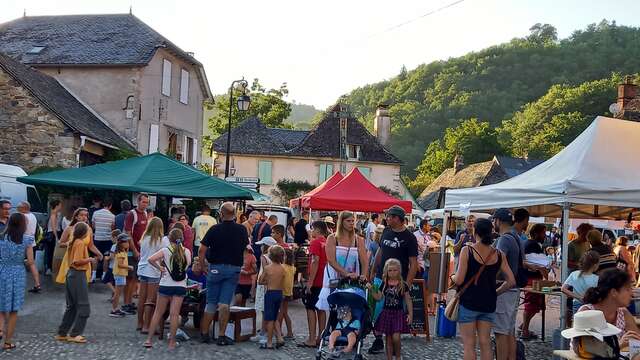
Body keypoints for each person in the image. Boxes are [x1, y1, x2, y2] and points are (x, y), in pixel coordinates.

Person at [454, 218, 515, 360]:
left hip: (469, 302)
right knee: (485, 342)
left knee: (469, 345)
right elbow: (511, 281)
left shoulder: (467, 250)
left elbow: (459, 279)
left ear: (475, 231)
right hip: (488, 303)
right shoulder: (499, 254)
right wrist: (496, 292)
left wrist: (452, 278)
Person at [198, 202, 249, 346]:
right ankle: (221, 335)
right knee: (225, 303)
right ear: (234, 214)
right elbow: (246, 248)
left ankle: (204, 333)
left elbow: (202, 249)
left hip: (215, 268)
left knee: (211, 302)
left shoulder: (214, 229)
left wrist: (202, 265)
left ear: (221, 214)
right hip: (233, 268)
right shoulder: (241, 230)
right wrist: (242, 262)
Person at [369, 205, 418, 355]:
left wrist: (406, 285)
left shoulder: (410, 237)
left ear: (397, 218)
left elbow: (413, 264)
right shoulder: (386, 231)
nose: (387, 218)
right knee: (376, 312)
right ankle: (378, 340)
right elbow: (380, 250)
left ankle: (394, 348)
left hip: (397, 281)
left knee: (394, 313)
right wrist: (372, 270)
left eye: (389, 216)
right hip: (380, 277)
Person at [143, 228, 192, 350]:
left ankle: (149, 340)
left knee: (158, 313)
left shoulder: (165, 250)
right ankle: (172, 342)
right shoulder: (187, 252)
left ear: (169, 239)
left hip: (166, 284)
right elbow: (187, 266)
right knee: (174, 314)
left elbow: (150, 259)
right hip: (180, 286)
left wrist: (160, 268)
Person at [317, 211, 368, 312]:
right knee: (334, 310)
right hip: (335, 277)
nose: (351, 223)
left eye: (353, 221)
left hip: (352, 279)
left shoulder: (358, 240)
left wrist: (363, 276)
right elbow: (331, 260)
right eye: (348, 221)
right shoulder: (332, 238)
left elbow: (364, 261)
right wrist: (346, 274)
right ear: (341, 222)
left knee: (350, 310)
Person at [578, 268, 640, 348]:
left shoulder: (623, 314)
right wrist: (618, 346)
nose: (632, 294)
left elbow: (638, 340)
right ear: (614, 292)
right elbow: (586, 351)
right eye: (627, 289)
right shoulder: (587, 312)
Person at [0, 213, 36, 350]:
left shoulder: (2, 237)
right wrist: (23, 261)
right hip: (18, 273)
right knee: (14, 310)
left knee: (1, 306)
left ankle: (0, 330)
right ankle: (8, 342)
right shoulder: (26, 239)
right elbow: (31, 261)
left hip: (2, 271)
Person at [55, 222, 95, 344]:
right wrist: (90, 259)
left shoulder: (73, 242)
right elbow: (77, 262)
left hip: (71, 274)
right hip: (78, 275)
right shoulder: (80, 243)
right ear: (84, 232)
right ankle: (75, 333)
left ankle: (62, 332)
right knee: (84, 307)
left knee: (71, 306)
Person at [492, 208, 521, 360]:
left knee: (500, 333)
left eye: (494, 220)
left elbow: (498, 262)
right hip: (514, 289)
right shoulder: (516, 236)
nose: (493, 223)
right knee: (509, 331)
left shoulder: (504, 239)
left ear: (498, 221)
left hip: (505, 289)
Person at [371, 258, 413, 360]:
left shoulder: (403, 284)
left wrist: (410, 314)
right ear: (386, 271)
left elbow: (408, 300)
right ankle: (389, 357)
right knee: (388, 338)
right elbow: (379, 298)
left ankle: (398, 356)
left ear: (399, 270)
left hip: (398, 313)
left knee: (396, 337)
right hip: (386, 313)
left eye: (395, 270)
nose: (392, 272)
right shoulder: (384, 283)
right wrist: (371, 289)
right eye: (390, 270)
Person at [136, 217, 168, 333]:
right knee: (151, 300)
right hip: (153, 271)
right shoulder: (161, 240)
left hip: (142, 269)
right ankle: (146, 325)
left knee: (141, 299)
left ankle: (140, 323)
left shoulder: (144, 238)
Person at [300, 220, 328, 348]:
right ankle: (320, 338)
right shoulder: (326, 241)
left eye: (312, 229)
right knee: (321, 309)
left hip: (316, 280)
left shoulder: (315, 242)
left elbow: (315, 261)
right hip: (324, 280)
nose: (311, 231)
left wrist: (310, 282)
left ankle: (311, 338)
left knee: (310, 308)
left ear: (316, 229)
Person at [56, 208, 103, 284]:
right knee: (71, 284)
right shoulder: (69, 228)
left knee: (82, 284)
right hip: (70, 258)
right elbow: (60, 244)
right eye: (81, 215)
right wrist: (69, 243)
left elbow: (91, 245)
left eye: (86, 215)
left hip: (84, 259)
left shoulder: (89, 229)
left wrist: (99, 254)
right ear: (76, 217)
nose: (84, 217)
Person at [520, 223, 548, 340]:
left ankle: (523, 326)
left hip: (530, 278)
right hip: (532, 279)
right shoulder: (533, 245)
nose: (545, 235)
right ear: (536, 233)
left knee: (536, 305)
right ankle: (525, 330)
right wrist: (545, 275)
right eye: (543, 232)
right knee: (532, 305)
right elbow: (540, 264)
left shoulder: (529, 243)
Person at [124, 193, 151, 315]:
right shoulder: (132, 214)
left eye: (147, 202)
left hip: (141, 251)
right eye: (143, 202)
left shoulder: (145, 214)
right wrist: (134, 250)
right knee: (129, 279)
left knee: (135, 278)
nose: (145, 204)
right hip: (131, 251)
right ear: (138, 202)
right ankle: (126, 303)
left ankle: (129, 302)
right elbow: (128, 233)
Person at [257, 245, 286, 350]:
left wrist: (267, 282)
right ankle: (279, 338)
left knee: (269, 319)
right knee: (275, 316)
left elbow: (260, 281)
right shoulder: (283, 268)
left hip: (270, 293)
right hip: (279, 293)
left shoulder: (267, 268)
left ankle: (269, 342)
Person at [251, 236, 277, 343]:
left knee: (263, 309)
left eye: (262, 245)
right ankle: (268, 331)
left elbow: (265, 271)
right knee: (269, 309)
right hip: (273, 284)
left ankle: (263, 332)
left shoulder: (264, 258)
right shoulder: (276, 258)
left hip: (264, 285)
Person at [17, 201, 41, 294]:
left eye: (19, 207)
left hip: (22, 240)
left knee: (17, 263)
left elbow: (20, 230)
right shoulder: (33, 216)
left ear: (24, 208)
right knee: (31, 263)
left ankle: (18, 285)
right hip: (31, 240)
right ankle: (37, 284)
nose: (17, 209)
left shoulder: (23, 217)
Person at [91, 198, 115, 282]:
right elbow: (112, 229)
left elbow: (93, 226)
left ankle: (93, 276)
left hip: (97, 238)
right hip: (107, 239)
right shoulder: (112, 216)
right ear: (110, 206)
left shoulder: (95, 213)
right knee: (106, 257)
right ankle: (104, 276)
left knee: (96, 256)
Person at [110, 234, 133, 318]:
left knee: (118, 293)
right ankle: (114, 309)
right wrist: (129, 267)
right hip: (120, 274)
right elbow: (120, 265)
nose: (128, 243)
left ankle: (115, 308)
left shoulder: (123, 251)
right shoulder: (121, 253)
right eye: (126, 242)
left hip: (121, 274)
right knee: (117, 293)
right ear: (121, 243)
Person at [277, 248, 296, 340]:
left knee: (281, 312)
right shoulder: (292, 268)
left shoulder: (282, 267)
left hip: (282, 292)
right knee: (285, 312)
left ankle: (279, 331)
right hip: (288, 292)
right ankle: (290, 332)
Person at [44, 199, 63, 276]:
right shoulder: (53, 214)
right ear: (57, 205)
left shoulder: (56, 214)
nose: (61, 206)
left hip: (53, 233)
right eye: (60, 205)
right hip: (52, 234)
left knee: (50, 251)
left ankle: (50, 268)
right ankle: (49, 268)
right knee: (50, 251)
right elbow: (53, 227)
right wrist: (56, 237)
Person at [101, 229, 121, 300]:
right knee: (114, 283)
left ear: (115, 237)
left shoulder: (114, 246)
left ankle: (116, 293)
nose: (110, 239)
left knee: (106, 280)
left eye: (111, 237)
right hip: (118, 267)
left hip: (112, 266)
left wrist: (107, 258)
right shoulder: (122, 245)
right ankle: (113, 297)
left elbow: (112, 256)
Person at [413, 219, 432, 283]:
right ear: (424, 226)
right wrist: (416, 264)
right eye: (429, 225)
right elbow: (413, 251)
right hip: (419, 264)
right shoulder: (415, 235)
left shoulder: (428, 235)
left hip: (427, 264)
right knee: (419, 284)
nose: (430, 227)